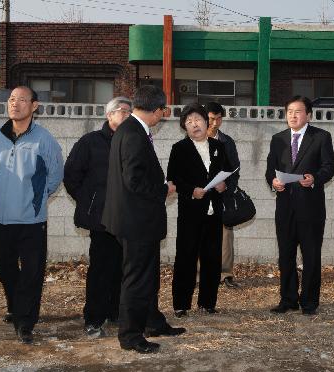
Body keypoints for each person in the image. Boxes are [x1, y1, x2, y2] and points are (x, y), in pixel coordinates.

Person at [101, 85, 185, 354]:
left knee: (147, 276)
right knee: (137, 279)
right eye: (163, 111)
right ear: (157, 110)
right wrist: (165, 189)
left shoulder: (129, 129)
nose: (162, 116)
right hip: (135, 221)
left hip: (137, 219)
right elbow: (134, 180)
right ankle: (130, 335)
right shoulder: (134, 134)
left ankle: (152, 322)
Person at [0, 86, 64, 344]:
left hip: (31, 221)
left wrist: (36, 200)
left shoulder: (44, 139)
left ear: (34, 106)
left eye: (21, 100)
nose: (15, 104)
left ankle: (25, 322)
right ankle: (17, 306)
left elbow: (54, 176)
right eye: (11, 99)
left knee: (31, 273)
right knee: (5, 268)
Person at [63, 96, 132, 338]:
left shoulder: (134, 142)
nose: (125, 114)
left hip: (126, 218)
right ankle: (94, 318)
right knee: (101, 269)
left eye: (128, 111)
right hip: (101, 219)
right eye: (120, 111)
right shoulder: (90, 142)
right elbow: (71, 175)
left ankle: (115, 312)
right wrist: (89, 200)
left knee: (121, 269)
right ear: (109, 115)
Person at [265, 95, 334, 316]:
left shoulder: (321, 137)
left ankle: (309, 301)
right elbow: (270, 169)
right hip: (285, 207)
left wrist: (314, 178)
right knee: (286, 255)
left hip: (311, 208)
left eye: (298, 111)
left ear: (308, 115)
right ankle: (288, 299)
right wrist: (273, 182)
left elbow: (328, 167)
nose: (293, 115)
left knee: (311, 255)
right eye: (289, 111)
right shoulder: (278, 139)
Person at [167, 103, 230, 317]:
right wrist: (191, 190)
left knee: (212, 258)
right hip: (190, 213)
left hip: (214, 212)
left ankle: (207, 303)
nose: (195, 125)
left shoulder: (218, 146)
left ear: (207, 122)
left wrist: (224, 185)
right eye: (189, 121)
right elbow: (173, 179)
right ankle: (181, 304)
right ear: (184, 126)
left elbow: (227, 172)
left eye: (199, 120)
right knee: (186, 257)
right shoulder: (179, 148)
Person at [204, 102, 241, 288]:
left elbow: (235, 169)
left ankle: (225, 274)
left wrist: (227, 185)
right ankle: (198, 274)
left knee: (225, 235)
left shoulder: (227, 141)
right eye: (211, 118)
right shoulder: (194, 138)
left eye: (218, 118)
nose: (215, 123)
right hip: (201, 195)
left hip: (222, 195)